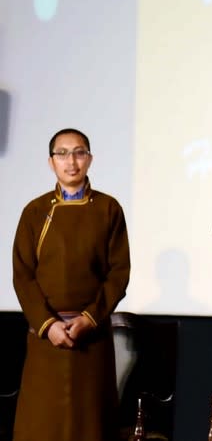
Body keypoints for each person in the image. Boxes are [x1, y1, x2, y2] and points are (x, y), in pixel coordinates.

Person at [12, 128, 131, 441]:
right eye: (62, 153)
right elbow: (23, 276)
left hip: (90, 338)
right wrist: (48, 324)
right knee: (42, 427)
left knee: (89, 426)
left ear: (89, 159)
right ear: (51, 162)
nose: (71, 161)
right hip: (45, 339)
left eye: (79, 152)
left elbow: (118, 273)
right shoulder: (35, 212)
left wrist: (89, 318)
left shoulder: (108, 209)